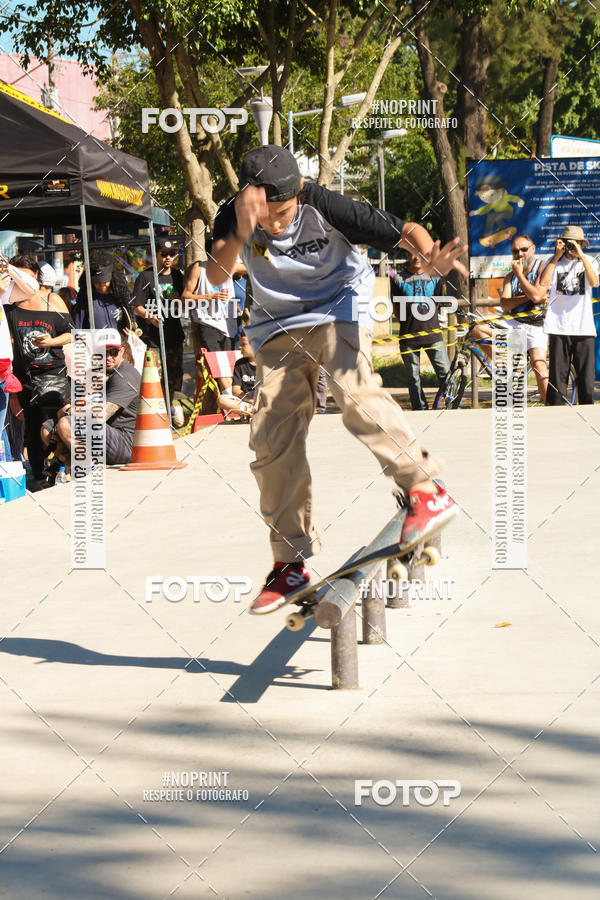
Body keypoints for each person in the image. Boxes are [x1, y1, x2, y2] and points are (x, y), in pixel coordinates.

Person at [208, 144, 465, 614]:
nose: (274, 225)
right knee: (270, 435)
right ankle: (290, 561)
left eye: (282, 213)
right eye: (265, 215)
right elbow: (214, 272)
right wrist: (242, 227)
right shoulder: (235, 212)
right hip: (277, 324)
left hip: (340, 306)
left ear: (298, 193)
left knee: (352, 390)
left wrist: (428, 255)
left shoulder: (325, 204)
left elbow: (401, 229)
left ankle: (424, 489)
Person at [4, 255, 72, 485]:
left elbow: (71, 333)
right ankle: (39, 476)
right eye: (16, 276)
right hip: (25, 378)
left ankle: (62, 467)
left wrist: (50, 343)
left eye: (26, 276)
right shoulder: (9, 305)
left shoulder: (52, 301)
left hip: (54, 374)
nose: (20, 282)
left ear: (35, 277)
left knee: (57, 423)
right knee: (33, 430)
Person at [41, 328, 141, 469]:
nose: (108, 357)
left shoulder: (125, 376)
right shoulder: (103, 373)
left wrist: (70, 411)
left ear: (122, 351)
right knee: (47, 429)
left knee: (65, 424)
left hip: (126, 443)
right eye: (102, 353)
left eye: (113, 352)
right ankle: (70, 469)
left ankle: (88, 469)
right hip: (108, 434)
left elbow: (100, 415)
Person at [471, 234, 549, 402]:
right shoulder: (509, 276)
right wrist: (530, 294)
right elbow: (505, 304)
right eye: (515, 251)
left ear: (533, 249)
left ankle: (551, 406)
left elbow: (538, 298)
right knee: (477, 329)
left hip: (537, 325)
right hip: (513, 323)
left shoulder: (542, 267)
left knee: (539, 365)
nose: (520, 254)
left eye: (524, 249)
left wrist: (521, 277)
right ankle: (503, 365)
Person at [538, 225, 599, 405]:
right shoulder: (553, 261)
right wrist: (557, 256)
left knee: (586, 380)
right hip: (558, 326)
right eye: (568, 244)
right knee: (558, 379)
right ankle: (556, 415)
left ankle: (587, 414)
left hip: (583, 328)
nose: (571, 248)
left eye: (575, 243)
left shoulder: (589, 260)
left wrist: (580, 255)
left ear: (581, 243)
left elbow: (594, 282)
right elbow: (543, 282)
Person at [132, 238, 185, 425]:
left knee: (172, 379)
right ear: (156, 255)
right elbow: (136, 306)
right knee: (154, 378)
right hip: (152, 339)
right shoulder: (146, 277)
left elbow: (186, 303)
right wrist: (149, 316)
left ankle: (167, 414)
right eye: (164, 254)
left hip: (174, 336)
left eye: (172, 254)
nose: (168, 257)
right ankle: (155, 417)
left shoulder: (179, 276)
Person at [389, 254, 450, 410]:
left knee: (445, 374)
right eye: (411, 252)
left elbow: (436, 302)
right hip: (408, 337)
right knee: (413, 378)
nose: (416, 257)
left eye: (419, 252)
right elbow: (396, 307)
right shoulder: (397, 277)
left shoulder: (435, 275)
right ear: (407, 255)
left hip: (433, 334)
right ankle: (419, 410)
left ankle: (454, 405)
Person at [182, 239, 239, 395]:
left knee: (229, 365)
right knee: (217, 364)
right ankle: (231, 399)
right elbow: (185, 296)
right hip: (207, 322)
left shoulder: (230, 267)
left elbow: (253, 266)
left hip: (229, 325)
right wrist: (209, 297)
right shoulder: (199, 268)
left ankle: (232, 399)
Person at [73, 250, 136, 331]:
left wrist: (130, 334)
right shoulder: (85, 296)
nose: (101, 285)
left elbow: (131, 321)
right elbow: (77, 325)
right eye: (97, 282)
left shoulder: (121, 294)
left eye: (105, 282)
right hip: (94, 342)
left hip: (120, 342)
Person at [217, 331, 256, 418]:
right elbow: (235, 390)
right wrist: (248, 400)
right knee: (221, 400)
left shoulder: (265, 363)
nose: (239, 347)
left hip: (263, 397)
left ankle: (259, 408)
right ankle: (253, 410)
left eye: (243, 344)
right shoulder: (240, 364)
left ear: (255, 345)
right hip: (246, 399)